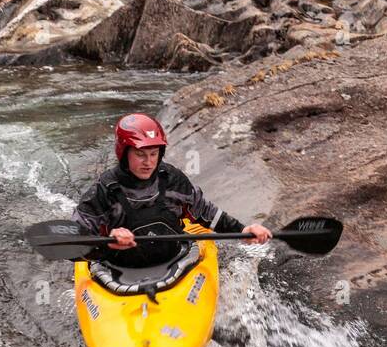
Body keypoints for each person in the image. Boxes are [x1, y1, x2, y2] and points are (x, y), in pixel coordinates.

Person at [74, 112, 272, 268]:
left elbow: (204, 211)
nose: (149, 162)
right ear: (124, 153)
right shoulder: (103, 190)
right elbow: (75, 239)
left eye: (154, 154)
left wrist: (243, 229)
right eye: (140, 154)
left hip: (176, 263)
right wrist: (106, 242)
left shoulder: (170, 179)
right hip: (118, 269)